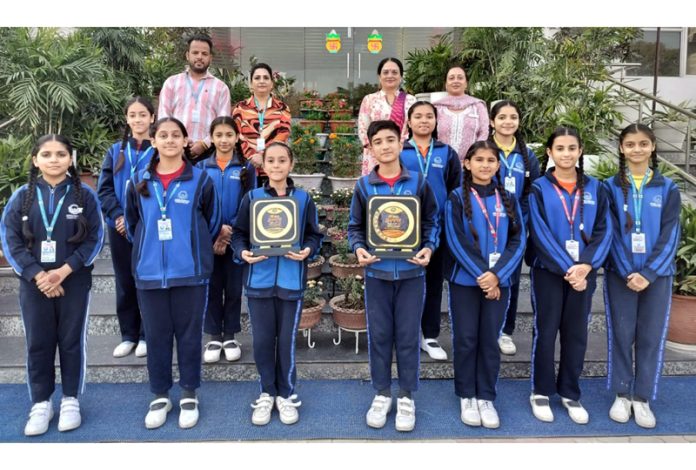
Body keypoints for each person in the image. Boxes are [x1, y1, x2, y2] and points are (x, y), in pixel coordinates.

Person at [0, 134, 104, 436]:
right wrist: (38, 275)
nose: (54, 159)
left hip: (73, 281)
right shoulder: (22, 196)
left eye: (61, 154)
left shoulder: (85, 196)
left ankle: (71, 399)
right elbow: (11, 241)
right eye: (47, 154)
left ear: (71, 159)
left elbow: (95, 239)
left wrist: (63, 271)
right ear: (35, 160)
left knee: (71, 341)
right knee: (38, 343)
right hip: (34, 284)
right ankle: (41, 402)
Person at [124, 117, 221, 430]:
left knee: (190, 336)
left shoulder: (201, 180)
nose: (168, 140)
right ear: (154, 141)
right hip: (149, 273)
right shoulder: (139, 180)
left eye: (175, 135)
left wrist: (190, 249)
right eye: (162, 135)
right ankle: (160, 394)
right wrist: (148, 249)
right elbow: (132, 224)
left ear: (185, 141)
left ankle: (189, 393)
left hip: (190, 272)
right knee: (156, 336)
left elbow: (213, 221)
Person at [348, 120, 439, 432]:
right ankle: (382, 392)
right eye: (378, 141)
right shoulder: (363, 186)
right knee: (381, 335)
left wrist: (428, 247)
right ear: (370, 148)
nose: (385, 146)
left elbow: (431, 221)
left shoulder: (419, 183)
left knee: (407, 334)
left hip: (412, 272)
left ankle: (406, 396)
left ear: (402, 144)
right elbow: (355, 228)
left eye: (391, 140)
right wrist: (359, 248)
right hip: (377, 272)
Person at [231, 142, 323, 426]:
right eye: (271, 160)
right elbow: (239, 234)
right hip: (259, 281)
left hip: (291, 281)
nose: (276, 165)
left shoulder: (304, 199)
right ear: (264, 165)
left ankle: (286, 393)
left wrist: (308, 250)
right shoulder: (253, 197)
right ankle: (266, 392)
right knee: (261, 341)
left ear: (291, 164)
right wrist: (242, 252)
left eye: (282, 160)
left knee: (285, 341)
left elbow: (313, 235)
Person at [527, 127, 612, 425]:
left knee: (576, 334)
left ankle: (570, 392)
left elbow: (604, 230)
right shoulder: (538, 187)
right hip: (548, 271)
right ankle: (541, 390)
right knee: (546, 331)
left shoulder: (596, 188)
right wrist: (569, 267)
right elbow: (538, 231)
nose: (566, 154)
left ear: (580, 151)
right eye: (559, 148)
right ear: (549, 152)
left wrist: (586, 266)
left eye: (571, 148)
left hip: (584, 274)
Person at [444, 140, 526, 429]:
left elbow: (518, 240)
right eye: (478, 160)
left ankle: (486, 396)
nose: (485, 165)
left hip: (499, 282)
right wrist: (484, 275)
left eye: (491, 160)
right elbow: (455, 240)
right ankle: (467, 394)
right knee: (466, 339)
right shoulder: (455, 197)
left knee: (490, 339)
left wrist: (497, 275)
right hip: (466, 281)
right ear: (467, 163)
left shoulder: (509, 198)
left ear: (498, 165)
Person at [604, 123, 681, 428]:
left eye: (643, 144)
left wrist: (648, 273)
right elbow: (608, 232)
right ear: (622, 149)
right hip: (620, 274)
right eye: (631, 144)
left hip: (657, 276)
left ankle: (643, 397)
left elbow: (670, 234)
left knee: (650, 337)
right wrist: (627, 271)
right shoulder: (609, 187)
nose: (637, 149)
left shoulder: (668, 188)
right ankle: (622, 393)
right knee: (622, 334)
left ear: (652, 147)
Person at [400, 101, 461, 361]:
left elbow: (456, 189)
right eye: (418, 116)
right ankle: (406, 334)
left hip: (437, 229)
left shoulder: (447, 152)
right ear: (409, 121)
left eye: (429, 116)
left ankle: (430, 335)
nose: (424, 121)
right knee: (407, 283)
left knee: (434, 281)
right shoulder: (400, 151)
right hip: (404, 229)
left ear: (436, 122)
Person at [97, 96, 155, 359]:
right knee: (124, 281)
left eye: (143, 114)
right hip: (119, 227)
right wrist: (118, 216)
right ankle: (129, 335)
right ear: (127, 119)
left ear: (152, 118)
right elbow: (105, 189)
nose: (138, 119)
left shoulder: (158, 149)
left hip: (148, 228)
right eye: (133, 115)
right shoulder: (115, 151)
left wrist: (141, 220)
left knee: (147, 279)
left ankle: (146, 335)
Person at [196, 116, 256, 363]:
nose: (223, 140)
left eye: (228, 135)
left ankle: (230, 335)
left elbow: (250, 202)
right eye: (218, 135)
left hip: (235, 237)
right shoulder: (200, 168)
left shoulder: (246, 168)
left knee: (232, 288)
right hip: (208, 239)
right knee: (211, 287)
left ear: (237, 138)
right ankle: (213, 337)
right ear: (211, 137)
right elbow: (197, 205)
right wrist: (214, 231)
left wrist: (229, 229)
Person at [487, 100, 541, 356]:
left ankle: (505, 331)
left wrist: (522, 224)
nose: (507, 122)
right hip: (486, 225)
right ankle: (486, 328)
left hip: (514, 229)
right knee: (485, 275)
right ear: (492, 121)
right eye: (502, 117)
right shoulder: (485, 150)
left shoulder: (526, 155)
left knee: (510, 278)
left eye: (513, 117)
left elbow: (532, 192)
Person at [157, 34, 231, 161]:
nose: (199, 57)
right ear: (187, 55)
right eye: (195, 52)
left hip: (209, 154)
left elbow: (223, 124)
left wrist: (204, 144)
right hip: (175, 151)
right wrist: (179, 142)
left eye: (204, 53)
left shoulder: (221, 88)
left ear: (210, 58)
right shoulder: (171, 83)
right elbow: (163, 120)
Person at [232, 63, 292, 184]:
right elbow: (237, 136)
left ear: (272, 84)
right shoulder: (240, 108)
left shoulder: (282, 108)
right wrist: (252, 157)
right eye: (257, 78)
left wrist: (264, 156)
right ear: (251, 83)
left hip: (274, 168)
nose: (261, 81)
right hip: (247, 167)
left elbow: (282, 135)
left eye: (266, 78)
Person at [357, 58, 416, 175]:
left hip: (403, 153)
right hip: (375, 154)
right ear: (379, 76)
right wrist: (377, 147)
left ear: (401, 76)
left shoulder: (411, 100)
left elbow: (415, 128)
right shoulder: (369, 100)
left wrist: (398, 147)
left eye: (394, 72)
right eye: (386, 72)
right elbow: (363, 129)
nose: (390, 75)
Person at [433, 65, 489, 164]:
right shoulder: (436, 108)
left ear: (466, 83)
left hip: (471, 165)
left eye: (460, 78)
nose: (456, 81)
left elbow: (484, 133)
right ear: (446, 84)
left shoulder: (477, 106)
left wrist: (472, 158)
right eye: (451, 78)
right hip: (440, 162)